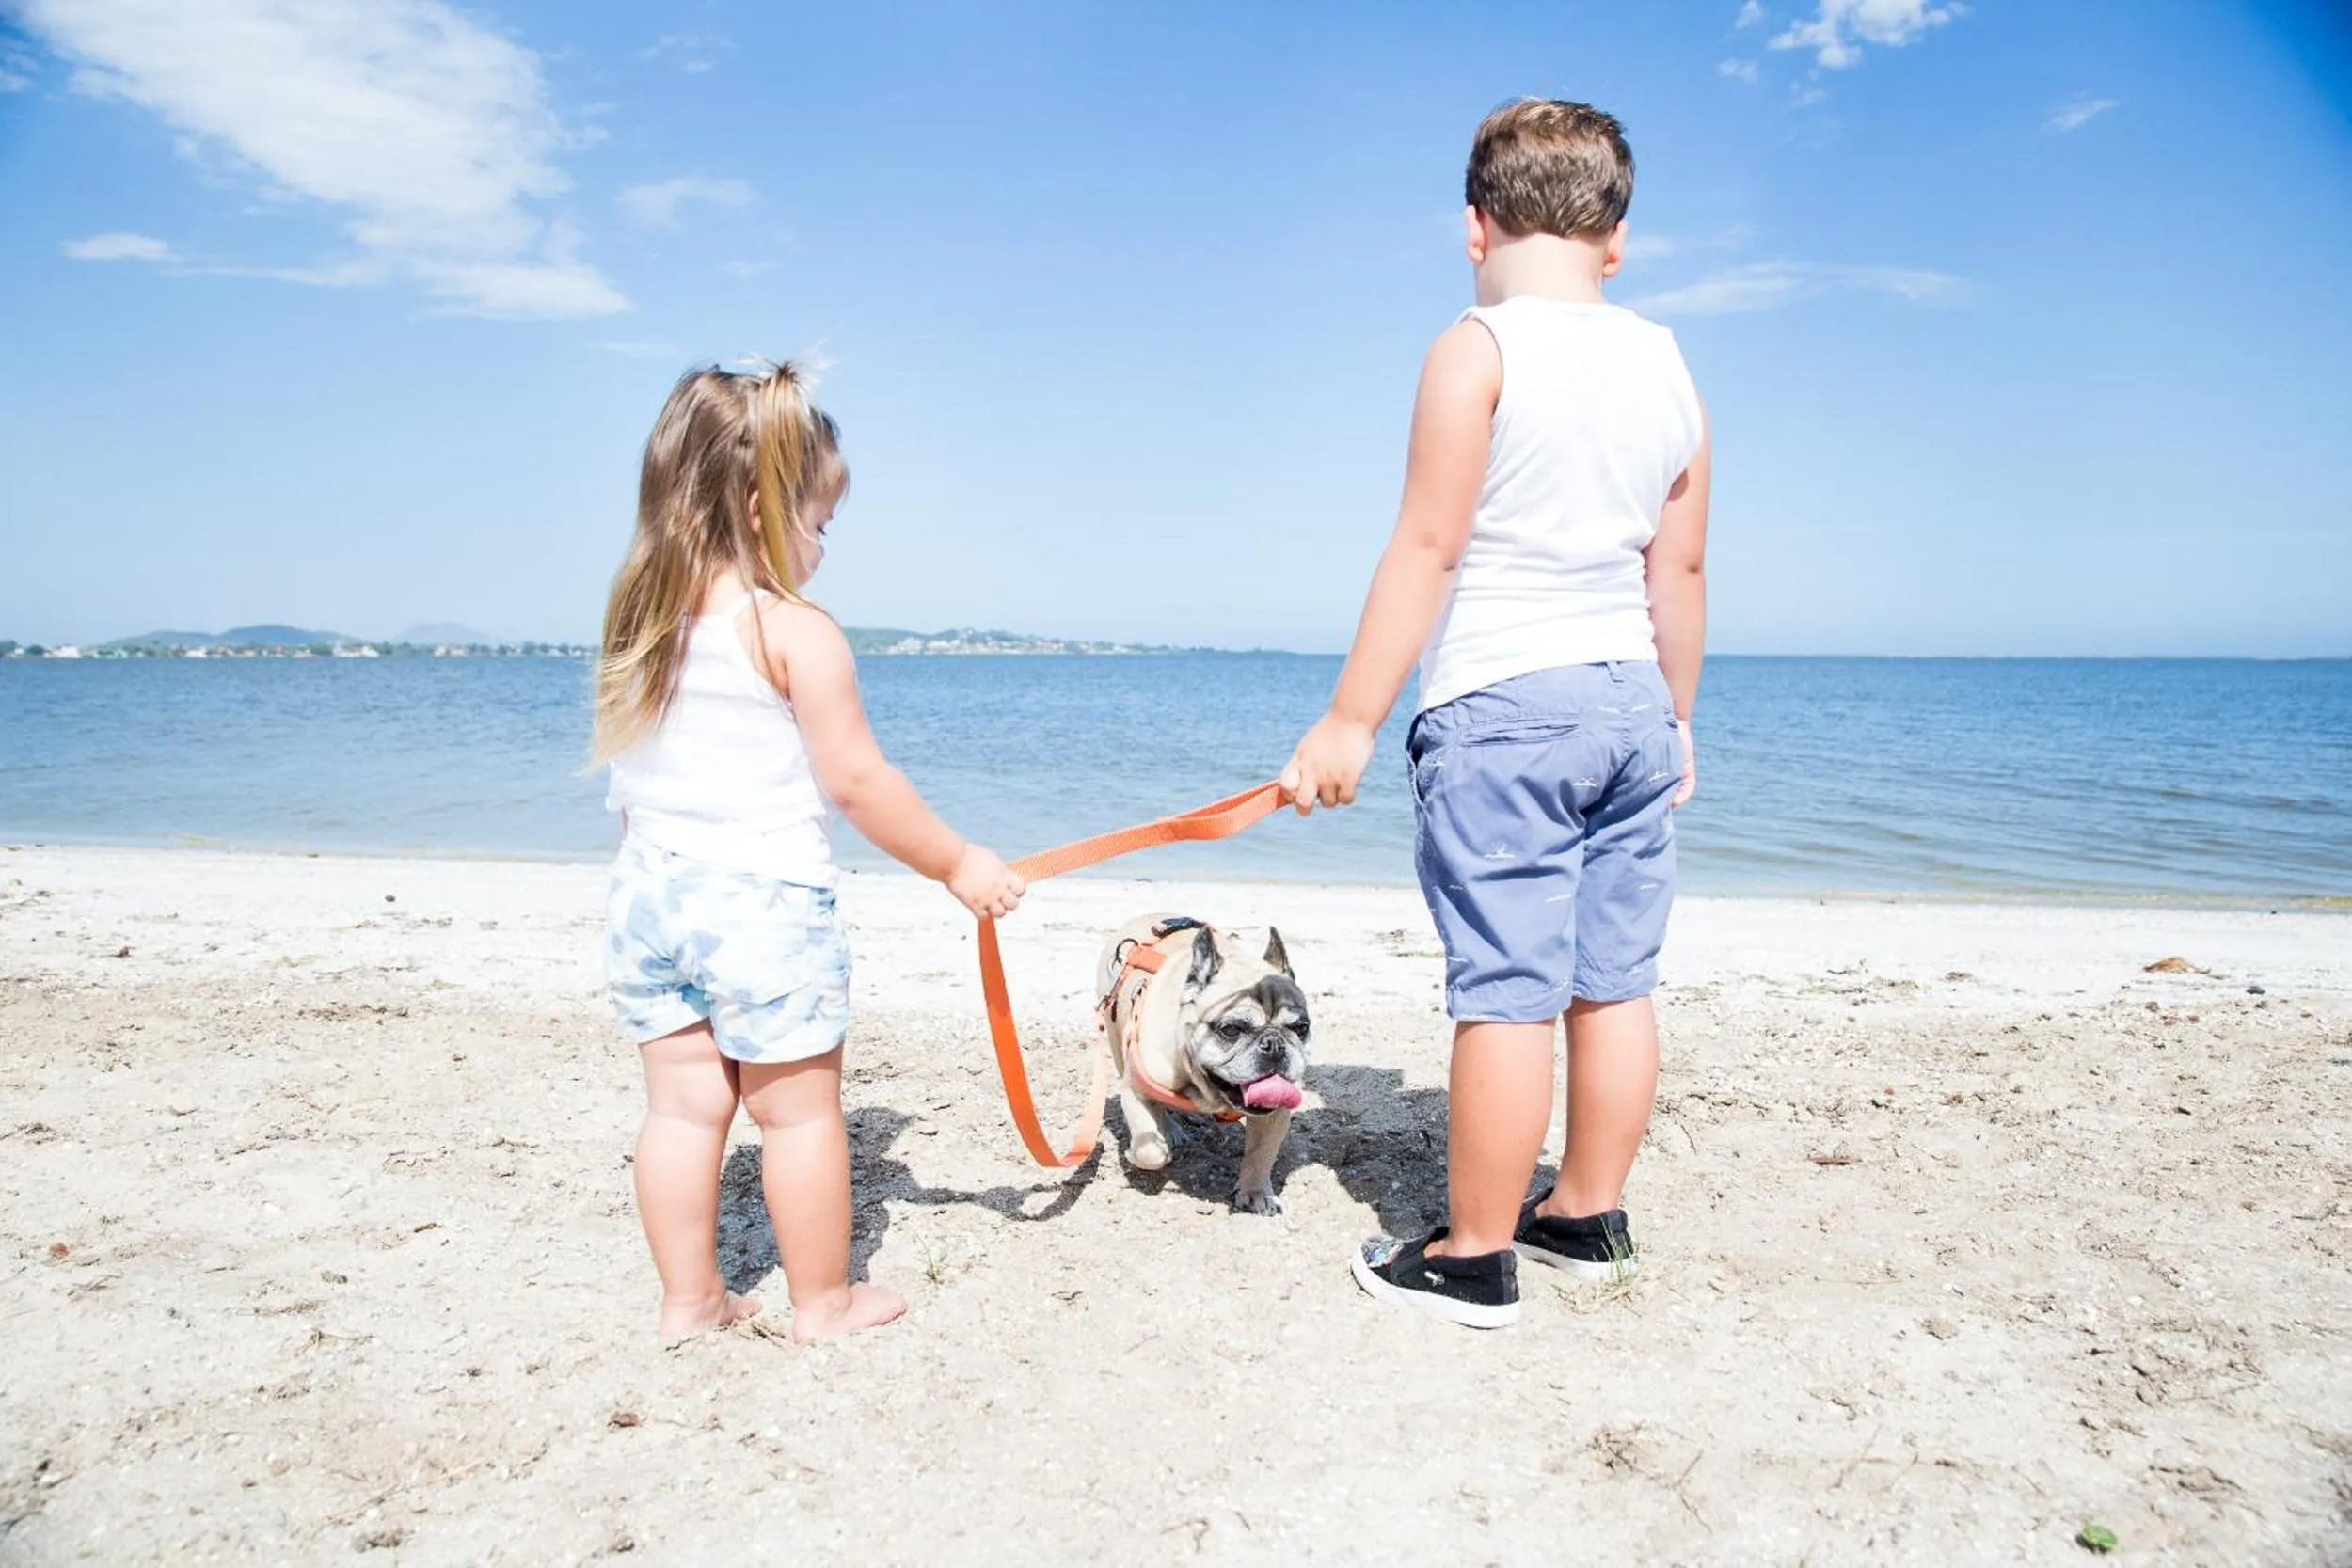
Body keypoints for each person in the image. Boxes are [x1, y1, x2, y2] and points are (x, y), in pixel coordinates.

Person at [1279, 100, 1709, 1328]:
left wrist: (1352, 719)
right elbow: (1676, 572)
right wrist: (1675, 717)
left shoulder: (1475, 346)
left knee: (1505, 986)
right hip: (1629, 696)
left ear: (1473, 227)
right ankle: (1585, 1210)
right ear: (1616, 239)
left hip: (1507, 700)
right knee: (1613, 979)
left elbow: (1429, 540)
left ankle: (1473, 1253)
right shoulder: (1670, 363)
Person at [593, 360, 1025, 1340]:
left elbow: (631, 780)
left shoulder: (643, 621)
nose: (824, 546)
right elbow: (859, 782)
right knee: (795, 1116)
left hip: (650, 898)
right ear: (758, 509)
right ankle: (822, 1302)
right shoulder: (794, 630)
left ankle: (689, 1297)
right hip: (762, 905)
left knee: (681, 1112)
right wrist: (959, 863)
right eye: (819, 522)